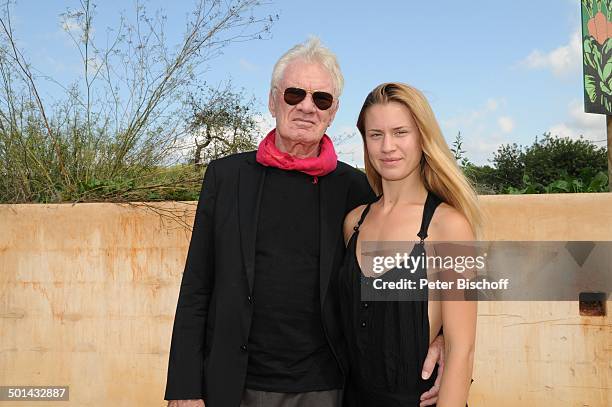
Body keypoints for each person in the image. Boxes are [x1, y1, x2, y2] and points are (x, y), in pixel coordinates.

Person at [165, 40, 445, 407]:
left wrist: (443, 343)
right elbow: (197, 286)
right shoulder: (226, 176)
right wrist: (185, 386)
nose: (306, 107)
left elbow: (402, 287)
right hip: (233, 384)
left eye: (321, 99)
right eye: (295, 94)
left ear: (333, 112)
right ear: (272, 100)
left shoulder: (357, 188)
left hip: (328, 386)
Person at [339, 82, 479, 406]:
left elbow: (461, 350)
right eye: (376, 134)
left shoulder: (449, 227)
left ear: (422, 137)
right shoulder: (353, 224)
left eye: (400, 132)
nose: (388, 146)